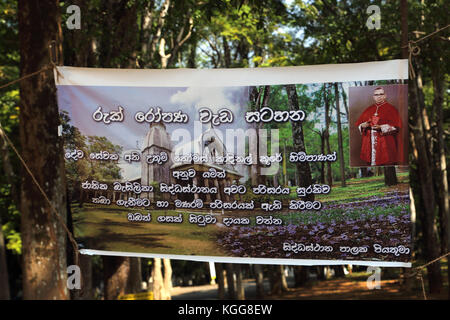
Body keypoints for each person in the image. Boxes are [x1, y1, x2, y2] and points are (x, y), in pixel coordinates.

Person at [355, 87, 401, 166]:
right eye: (376, 95)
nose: (378, 96)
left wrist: (381, 127)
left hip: (385, 143)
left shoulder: (391, 109)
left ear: (385, 96)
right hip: (369, 143)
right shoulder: (368, 109)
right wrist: (363, 125)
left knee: (386, 163)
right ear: (373, 97)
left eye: (381, 94)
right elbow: (360, 124)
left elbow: (397, 127)